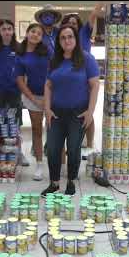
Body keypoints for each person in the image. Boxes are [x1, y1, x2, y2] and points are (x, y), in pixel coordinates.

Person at [42, 25, 100, 196]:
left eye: (70, 37)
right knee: (53, 148)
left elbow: (95, 85)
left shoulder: (86, 59)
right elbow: (48, 85)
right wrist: (47, 109)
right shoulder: (54, 60)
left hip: (78, 113)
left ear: (76, 39)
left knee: (73, 149)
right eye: (63, 38)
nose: (67, 40)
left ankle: (71, 182)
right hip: (56, 113)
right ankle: (54, 183)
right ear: (59, 41)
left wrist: (90, 111)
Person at [60, 3, 104, 159]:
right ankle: (69, 147)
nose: (72, 24)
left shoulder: (85, 32)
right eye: (69, 22)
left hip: (86, 77)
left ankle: (90, 144)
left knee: (88, 113)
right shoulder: (63, 39)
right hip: (68, 80)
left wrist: (102, 3)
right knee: (69, 114)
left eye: (74, 22)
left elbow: (93, 14)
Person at [0, 19, 29, 167]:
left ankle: (19, 153)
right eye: (4, 29)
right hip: (0, 92)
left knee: (16, 123)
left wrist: (24, 88)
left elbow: (25, 70)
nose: (7, 31)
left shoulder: (19, 48)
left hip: (15, 91)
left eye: (9, 28)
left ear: (13, 31)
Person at [15, 23, 52, 181]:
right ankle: (39, 165)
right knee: (37, 131)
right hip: (33, 98)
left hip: (52, 96)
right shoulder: (21, 55)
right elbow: (20, 81)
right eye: (33, 31)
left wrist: (49, 96)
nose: (35, 34)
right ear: (27, 33)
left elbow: (56, 71)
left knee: (54, 131)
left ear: (42, 37)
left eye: (39, 33)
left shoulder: (47, 51)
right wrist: (34, 100)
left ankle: (58, 163)